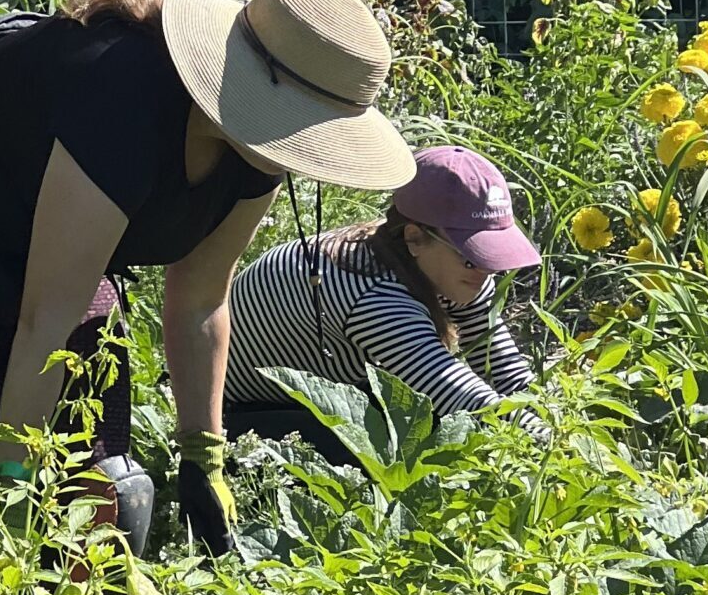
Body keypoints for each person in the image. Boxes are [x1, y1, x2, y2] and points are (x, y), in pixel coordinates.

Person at [0, 0, 416, 555]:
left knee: (110, 488)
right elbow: (46, 325)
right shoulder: (122, 100)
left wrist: (202, 453)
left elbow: (202, 299)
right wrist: (13, 491)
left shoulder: (260, 151)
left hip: (40, 244)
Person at [222, 146, 541, 462]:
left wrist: (555, 423)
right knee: (421, 449)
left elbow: (510, 378)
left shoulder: (424, 258)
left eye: (493, 255)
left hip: (331, 383)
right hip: (242, 414)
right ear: (415, 238)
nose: (487, 271)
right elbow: (460, 399)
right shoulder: (374, 298)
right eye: (472, 257)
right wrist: (556, 449)